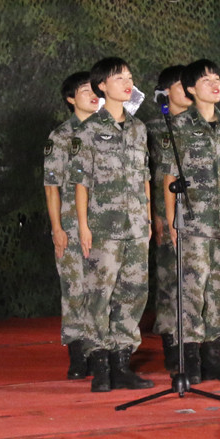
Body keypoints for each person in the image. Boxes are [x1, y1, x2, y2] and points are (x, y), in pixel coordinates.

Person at [155, 59, 220, 383]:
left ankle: (213, 356)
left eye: (217, 78)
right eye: (206, 80)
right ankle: (189, 360)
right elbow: (169, 176)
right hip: (194, 224)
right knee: (192, 291)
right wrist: (172, 221)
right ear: (191, 89)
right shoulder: (177, 126)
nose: (215, 84)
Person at [74, 57, 155, 391]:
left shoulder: (139, 129)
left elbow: (145, 176)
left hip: (136, 226)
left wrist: (149, 218)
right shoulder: (89, 129)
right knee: (99, 294)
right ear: (101, 86)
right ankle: (101, 367)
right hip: (103, 226)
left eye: (129, 77)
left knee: (133, 292)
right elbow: (81, 181)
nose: (126, 82)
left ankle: (122, 363)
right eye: (118, 77)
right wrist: (82, 225)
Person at [44, 70, 99, 378]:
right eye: (83, 90)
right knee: (75, 289)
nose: (92, 94)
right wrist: (57, 228)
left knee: (103, 289)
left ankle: (103, 352)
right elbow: (51, 186)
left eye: (95, 88)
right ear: (70, 99)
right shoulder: (61, 136)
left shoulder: (110, 130)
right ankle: (78, 356)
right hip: (71, 225)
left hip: (106, 224)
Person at [149, 64, 193, 373]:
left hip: (199, 217)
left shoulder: (203, 125)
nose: (189, 91)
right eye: (182, 85)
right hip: (165, 216)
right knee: (169, 283)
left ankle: (195, 348)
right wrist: (158, 215)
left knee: (195, 284)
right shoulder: (153, 129)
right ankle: (171, 345)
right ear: (166, 92)